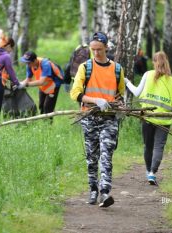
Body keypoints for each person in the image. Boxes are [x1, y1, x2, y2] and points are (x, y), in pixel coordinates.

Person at [70, 32, 125, 208]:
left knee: (106, 154)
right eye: (93, 49)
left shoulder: (117, 69)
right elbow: (75, 94)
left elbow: (119, 95)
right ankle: (93, 189)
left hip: (109, 119)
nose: (95, 53)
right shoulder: (84, 67)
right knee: (92, 157)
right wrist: (96, 100)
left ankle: (105, 192)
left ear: (107, 48)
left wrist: (120, 107)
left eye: (99, 49)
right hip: (90, 118)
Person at [125, 51, 172, 185]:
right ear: (166, 62)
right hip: (165, 119)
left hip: (148, 117)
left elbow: (137, 92)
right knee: (159, 147)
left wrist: (126, 82)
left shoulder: (148, 74)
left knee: (148, 146)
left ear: (155, 62)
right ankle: (153, 173)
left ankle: (149, 171)